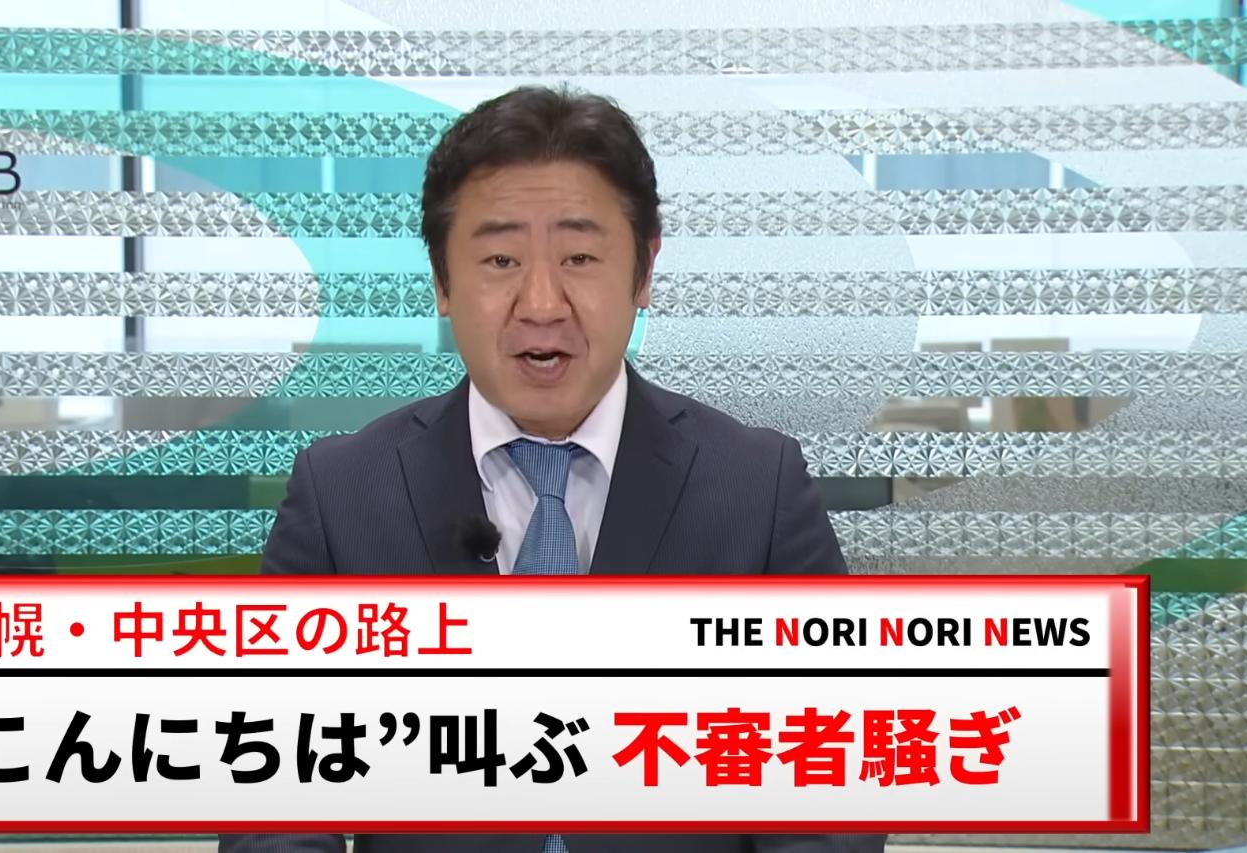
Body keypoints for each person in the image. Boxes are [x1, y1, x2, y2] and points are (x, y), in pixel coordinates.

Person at [220, 86, 881, 853]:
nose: (541, 303)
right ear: (441, 281)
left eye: (580, 258)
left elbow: (830, 800)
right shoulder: (342, 495)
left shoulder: (757, 488)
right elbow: (269, 803)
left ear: (644, 270)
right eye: (500, 259)